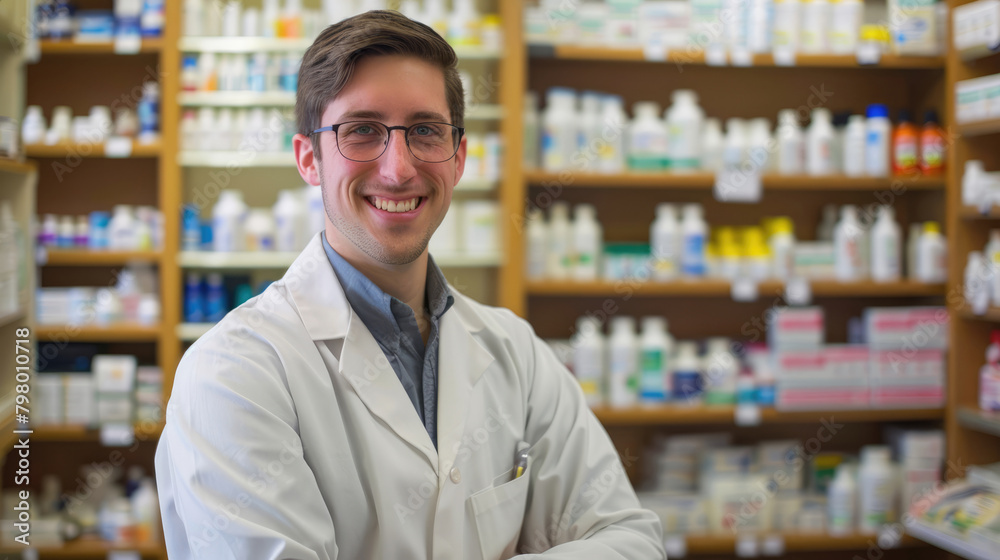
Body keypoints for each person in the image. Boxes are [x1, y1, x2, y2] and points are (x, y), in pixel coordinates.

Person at [155, 10, 665, 560]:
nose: (398, 169)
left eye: (424, 131)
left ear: (458, 156)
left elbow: (630, 542)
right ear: (309, 159)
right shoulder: (235, 373)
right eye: (362, 131)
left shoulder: (516, 353)